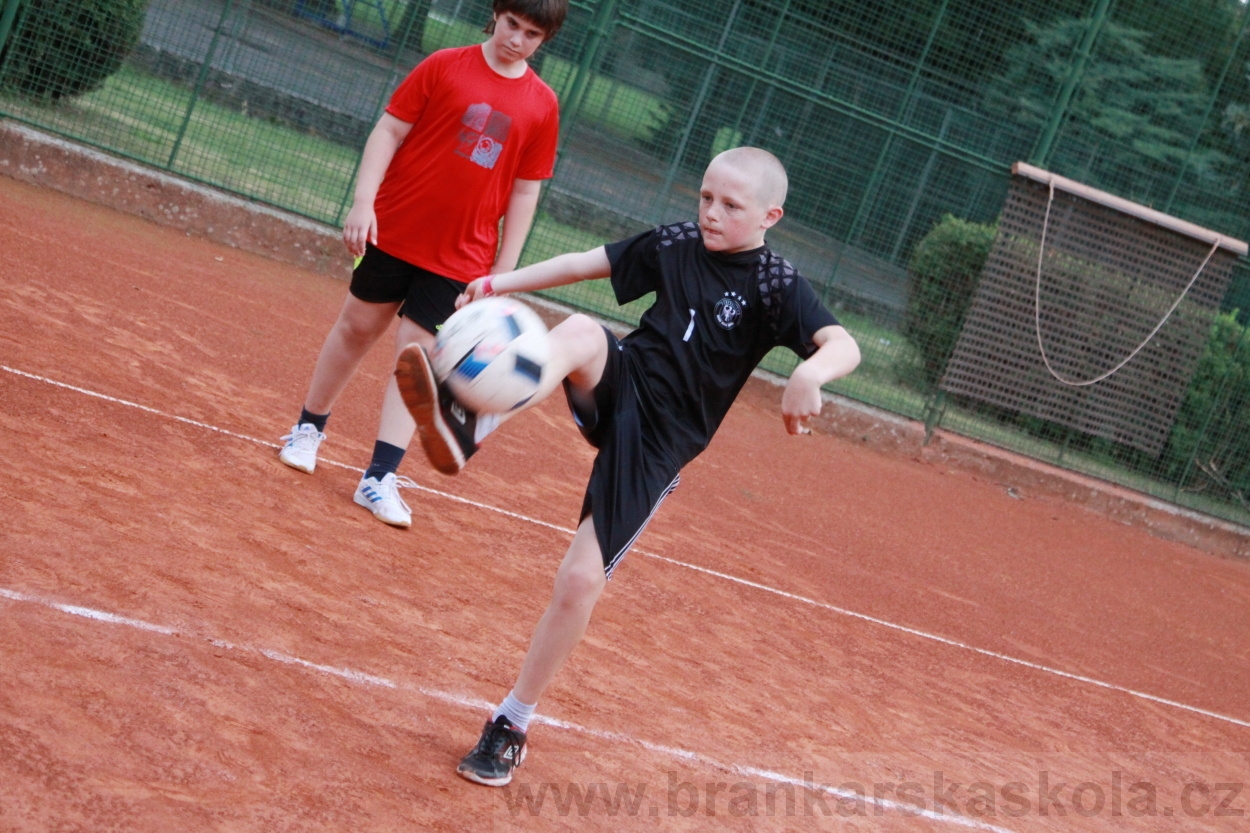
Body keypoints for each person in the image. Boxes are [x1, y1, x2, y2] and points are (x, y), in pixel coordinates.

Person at [393, 147, 862, 785]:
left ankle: (511, 723)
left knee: (580, 581)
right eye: (705, 198)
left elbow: (844, 344)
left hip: (663, 441)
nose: (710, 214)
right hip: (624, 382)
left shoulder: (775, 285)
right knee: (585, 332)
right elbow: (589, 263)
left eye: (730, 206)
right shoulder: (674, 243)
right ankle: (470, 421)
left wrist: (810, 371)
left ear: (769, 216)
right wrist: (503, 282)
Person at [277, 0, 567, 529]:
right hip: (394, 228)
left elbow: (526, 192)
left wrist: (502, 274)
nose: (516, 40)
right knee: (357, 327)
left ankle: (379, 477)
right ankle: (308, 429)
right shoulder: (443, 65)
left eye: (531, 35)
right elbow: (388, 132)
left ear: (545, 41)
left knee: (420, 356)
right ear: (496, 15)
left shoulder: (543, 105)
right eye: (511, 25)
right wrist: (363, 202)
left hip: (464, 254)